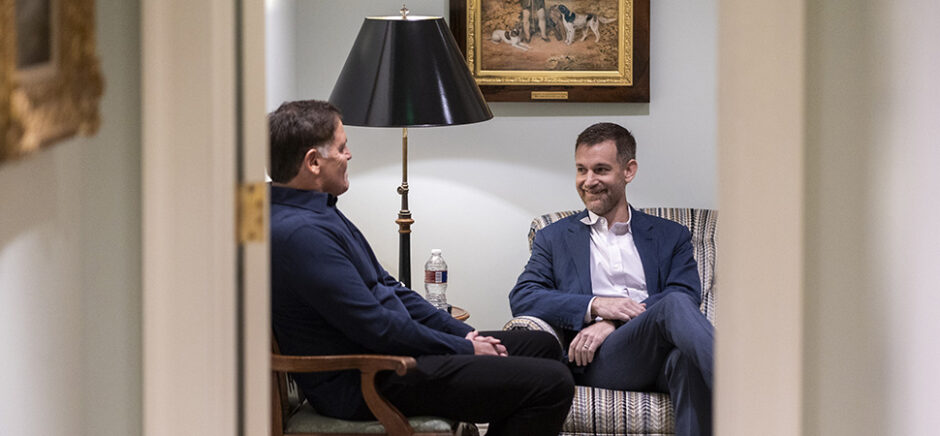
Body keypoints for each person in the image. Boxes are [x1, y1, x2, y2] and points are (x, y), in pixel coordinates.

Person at [269, 100, 574, 436]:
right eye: (342, 148)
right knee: (552, 383)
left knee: (541, 347)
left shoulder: (319, 210)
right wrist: (466, 348)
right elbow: (376, 328)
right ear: (313, 162)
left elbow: (390, 287)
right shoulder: (300, 235)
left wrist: (462, 333)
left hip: (392, 355)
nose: (350, 155)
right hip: (368, 377)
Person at [509, 122, 714, 436]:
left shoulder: (669, 234)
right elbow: (523, 296)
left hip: (661, 357)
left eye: (601, 170)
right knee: (672, 304)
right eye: (581, 170)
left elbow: (686, 293)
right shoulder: (554, 238)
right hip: (600, 361)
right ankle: (750, 397)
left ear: (628, 171)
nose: (588, 181)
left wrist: (614, 322)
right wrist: (596, 306)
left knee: (687, 362)